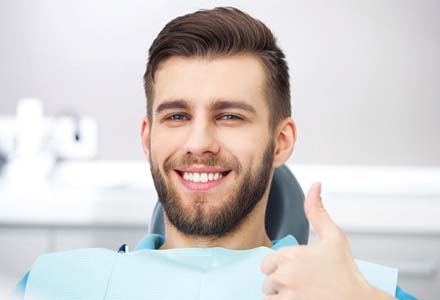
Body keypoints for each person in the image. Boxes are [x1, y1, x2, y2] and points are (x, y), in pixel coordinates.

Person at [14, 7, 416, 299]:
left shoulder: (352, 289)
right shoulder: (56, 283)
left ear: (281, 142)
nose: (199, 142)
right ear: (147, 138)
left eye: (229, 116)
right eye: (176, 115)